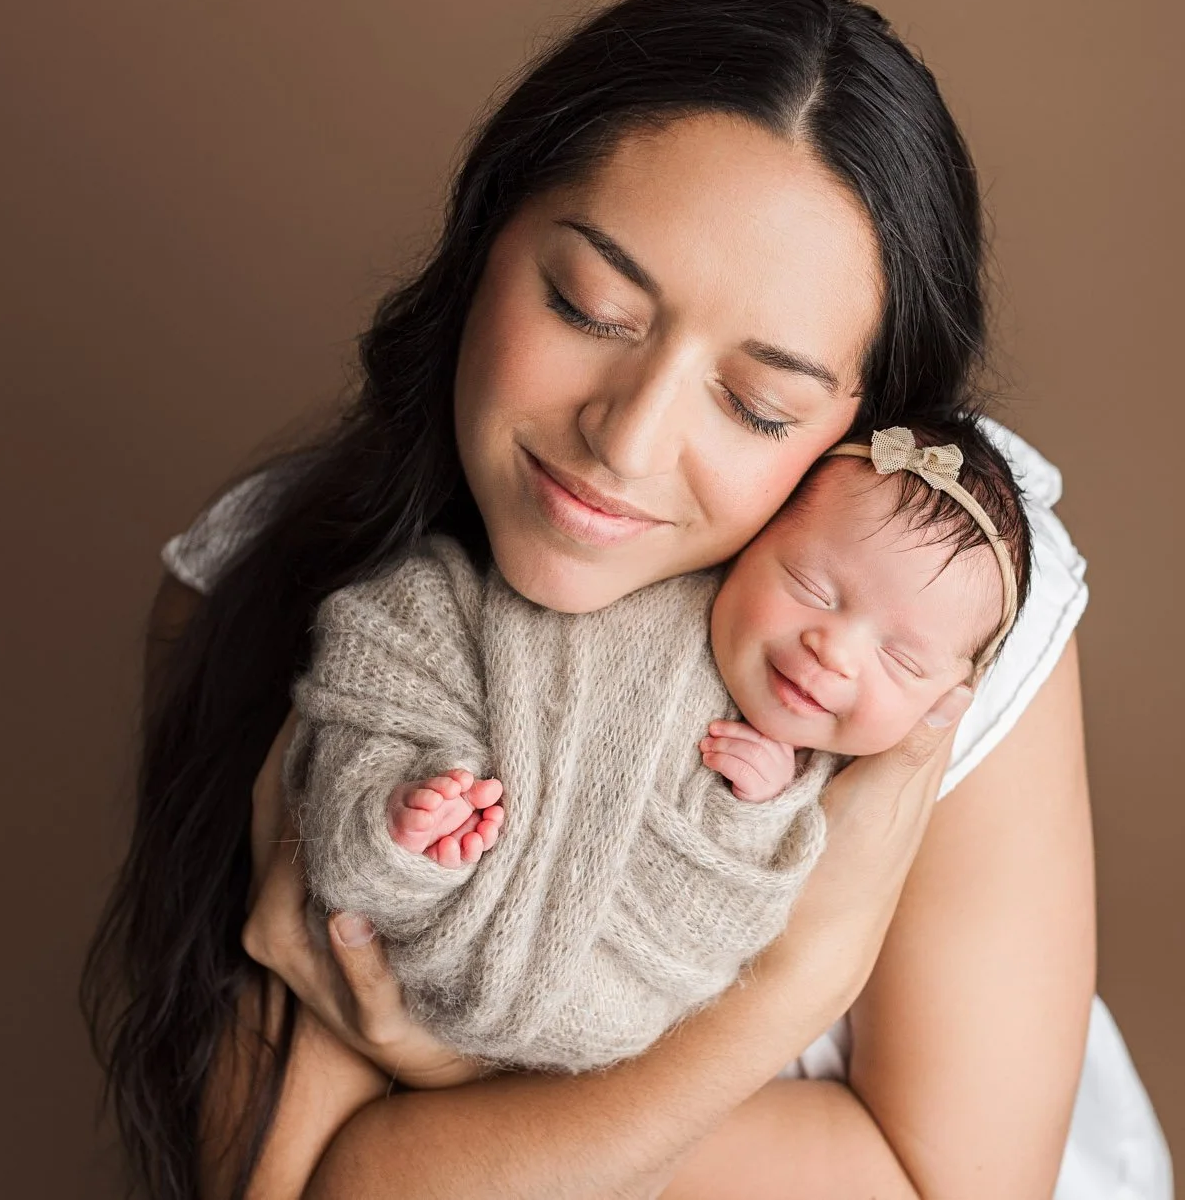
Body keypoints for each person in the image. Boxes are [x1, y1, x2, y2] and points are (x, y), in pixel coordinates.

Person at [84, 0, 1172, 1200]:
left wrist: (450, 1086)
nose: (628, 439)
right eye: (588, 305)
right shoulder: (270, 586)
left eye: (758, 406)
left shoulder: (929, 611)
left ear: (864, 434)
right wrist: (778, 989)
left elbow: (954, 1186)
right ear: (483, 242)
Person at [282, 418, 1026, 1076]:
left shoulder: (827, 789)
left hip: (602, 996)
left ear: (947, 700)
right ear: (753, 543)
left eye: (901, 661)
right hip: (441, 893)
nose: (834, 651)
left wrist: (758, 812)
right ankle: (406, 832)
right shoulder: (636, 585)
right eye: (812, 587)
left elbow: (740, 910)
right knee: (399, 810)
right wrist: (407, 820)